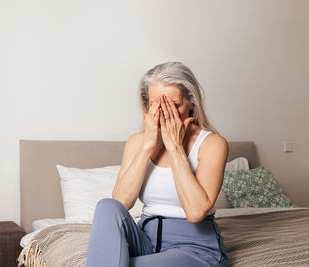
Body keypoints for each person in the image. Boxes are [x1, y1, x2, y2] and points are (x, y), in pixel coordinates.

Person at [86, 61, 229, 267]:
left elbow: (196, 211)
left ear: (191, 103)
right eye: (157, 105)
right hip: (145, 241)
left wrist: (175, 147)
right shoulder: (137, 142)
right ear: (147, 105)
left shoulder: (212, 144)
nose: (164, 113)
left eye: (174, 105)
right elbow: (122, 202)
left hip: (195, 248)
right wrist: (148, 145)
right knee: (107, 206)